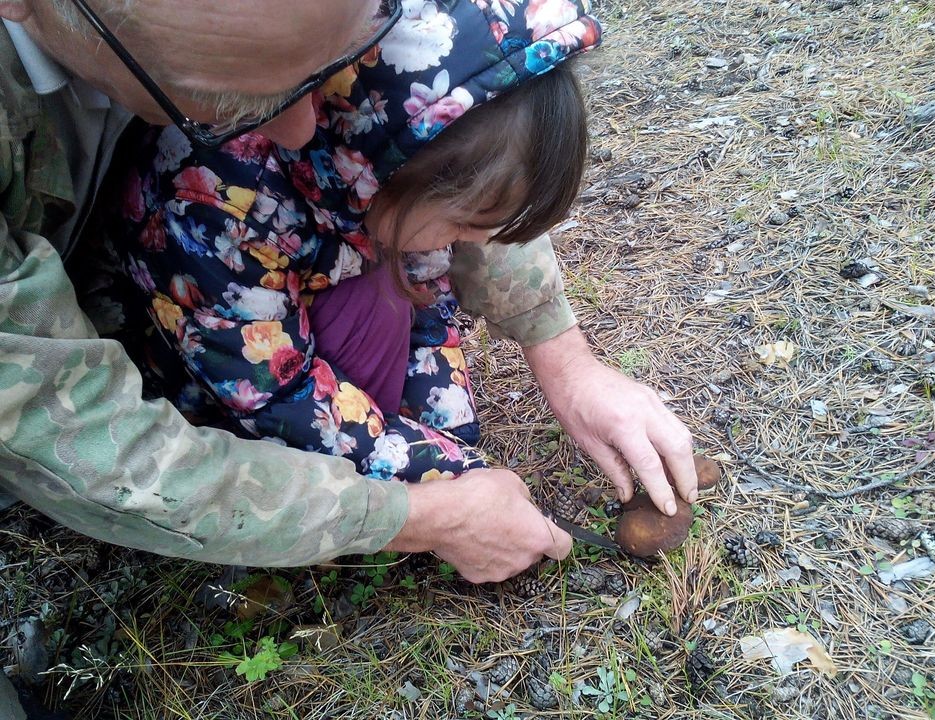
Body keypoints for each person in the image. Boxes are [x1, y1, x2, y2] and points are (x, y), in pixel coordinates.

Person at [0, 0, 698, 590]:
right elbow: (266, 399)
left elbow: (441, 261)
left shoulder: (369, 147)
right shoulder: (209, 207)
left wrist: (518, 400)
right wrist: (430, 506)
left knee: (393, 291)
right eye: (235, 100)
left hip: (265, 310)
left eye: (325, 75)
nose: (306, 124)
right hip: (202, 361)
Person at [98, 1, 594, 493]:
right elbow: (279, 400)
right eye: (465, 223)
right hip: (201, 387)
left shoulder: (366, 171)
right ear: (399, 169)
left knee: (394, 291)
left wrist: (451, 445)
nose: (477, 243)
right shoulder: (212, 207)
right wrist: (451, 482)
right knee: (377, 301)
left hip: (278, 311)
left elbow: (427, 308)